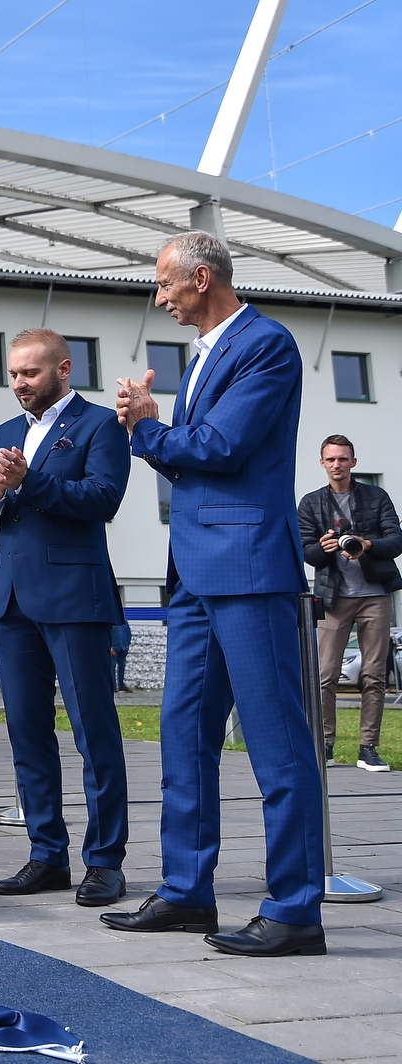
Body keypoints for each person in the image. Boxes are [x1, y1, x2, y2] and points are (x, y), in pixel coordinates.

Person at [105, 229, 326, 958]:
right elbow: (199, 460)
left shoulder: (266, 343)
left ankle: (294, 908)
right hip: (196, 575)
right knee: (183, 736)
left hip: (250, 570)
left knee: (277, 746)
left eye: (165, 284)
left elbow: (222, 451)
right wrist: (155, 427)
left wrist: (144, 428)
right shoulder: (200, 358)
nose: (159, 297)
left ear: (202, 278)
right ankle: (186, 891)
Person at [0, 328, 132, 907]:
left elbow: (102, 498)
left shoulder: (100, 424)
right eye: (12, 374)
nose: (18, 384)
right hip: (10, 601)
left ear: (62, 369)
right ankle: (46, 854)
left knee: (94, 734)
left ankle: (106, 862)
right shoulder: (6, 433)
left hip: (73, 599)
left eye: (29, 374)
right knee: (27, 733)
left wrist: (27, 482)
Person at [298, 434, 402, 771]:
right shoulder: (311, 504)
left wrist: (366, 544)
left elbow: (396, 540)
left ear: (353, 462)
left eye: (343, 459)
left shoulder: (376, 496)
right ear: (322, 463)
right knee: (325, 675)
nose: (337, 465)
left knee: (374, 675)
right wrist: (324, 547)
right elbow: (305, 552)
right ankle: (325, 744)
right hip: (333, 596)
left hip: (375, 594)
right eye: (331, 459)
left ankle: (368, 748)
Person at [111, 622, 132, 693]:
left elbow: (128, 633)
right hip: (114, 648)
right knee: (112, 667)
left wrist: (128, 644)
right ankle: (113, 685)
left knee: (122, 666)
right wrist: (110, 647)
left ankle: (121, 685)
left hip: (123, 648)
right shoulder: (111, 623)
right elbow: (107, 635)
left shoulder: (125, 623)